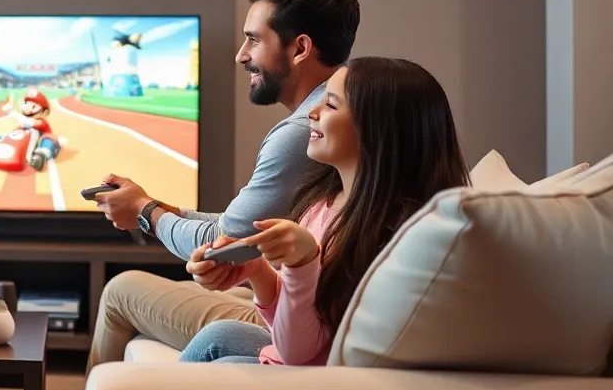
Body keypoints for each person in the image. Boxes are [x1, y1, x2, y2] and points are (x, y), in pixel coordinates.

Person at [64, 0, 359, 390]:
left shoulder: (302, 131)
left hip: (304, 324)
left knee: (119, 291)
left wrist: (145, 215)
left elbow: (228, 240)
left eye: (252, 40)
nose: (241, 55)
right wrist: (163, 209)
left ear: (299, 48)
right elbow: (243, 232)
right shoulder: (337, 114)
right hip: (301, 306)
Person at [178, 57, 469, 364]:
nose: (311, 114)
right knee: (218, 335)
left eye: (330, 105)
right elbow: (297, 322)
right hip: (307, 358)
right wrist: (258, 272)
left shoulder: (394, 236)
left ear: (377, 127)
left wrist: (304, 262)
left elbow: (297, 351)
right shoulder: (322, 205)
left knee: (226, 365)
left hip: (326, 381)